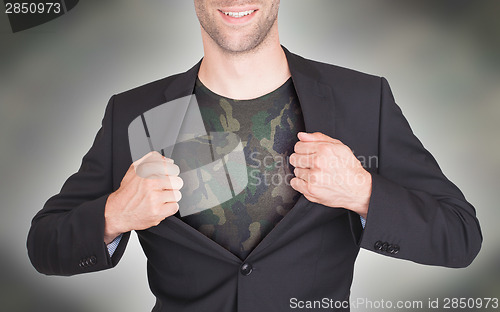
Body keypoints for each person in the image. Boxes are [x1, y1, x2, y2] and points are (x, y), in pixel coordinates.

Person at [27, 1, 482, 311]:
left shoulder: (362, 100)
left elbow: (460, 236)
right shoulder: (135, 112)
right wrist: (114, 214)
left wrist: (363, 192)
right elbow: (44, 245)